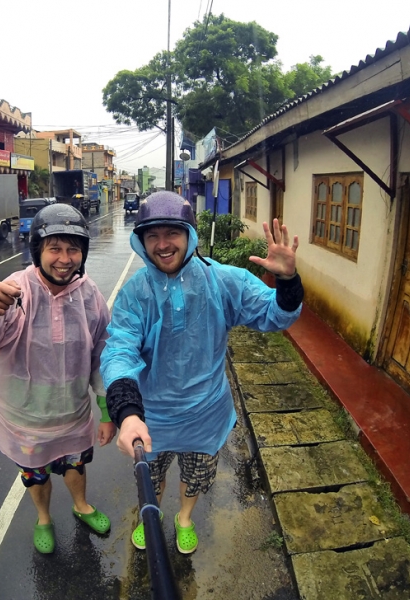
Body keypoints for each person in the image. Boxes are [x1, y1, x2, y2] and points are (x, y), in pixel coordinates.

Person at [101, 191, 303, 554]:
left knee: (195, 478)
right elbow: (119, 350)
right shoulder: (134, 294)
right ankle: (153, 514)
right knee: (152, 478)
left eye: (172, 233)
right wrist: (127, 413)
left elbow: (275, 315)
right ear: (141, 241)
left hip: (205, 414)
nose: (163, 245)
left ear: (190, 235)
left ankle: (184, 520)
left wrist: (288, 282)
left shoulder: (225, 281)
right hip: (151, 420)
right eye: (152, 236)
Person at [0, 204, 116, 554]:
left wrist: (107, 410)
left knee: (75, 463)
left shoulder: (90, 295)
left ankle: (81, 505)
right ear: (38, 251)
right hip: (22, 419)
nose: (64, 259)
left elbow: (102, 353)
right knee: (35, 473)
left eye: (73, 248)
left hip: (72, 415)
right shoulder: (14, 292)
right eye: (55, 248)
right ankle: (43, 518)